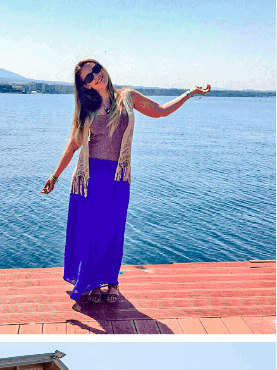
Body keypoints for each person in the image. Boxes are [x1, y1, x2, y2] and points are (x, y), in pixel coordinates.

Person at [41, 59, 210, 304]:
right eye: (88, 78)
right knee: (90, 232)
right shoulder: (86, 108)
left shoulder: (127, 97)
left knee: (113, 230)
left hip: (118, 176)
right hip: (89, 178)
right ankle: (91, 284)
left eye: (96, 70)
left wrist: (189, 93)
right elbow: (74, 144)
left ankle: (112, 282)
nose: (95, 77)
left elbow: (161, 111)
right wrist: (55, 176)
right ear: (85, 86)